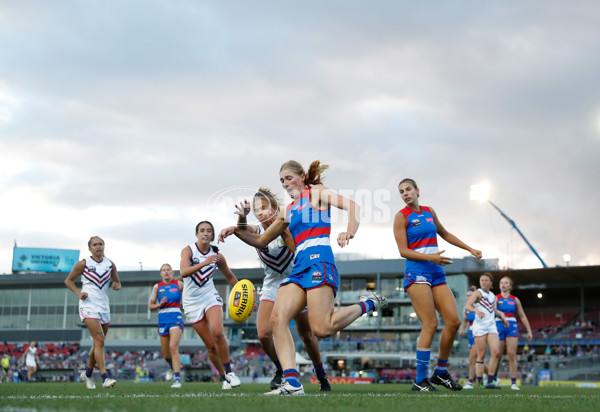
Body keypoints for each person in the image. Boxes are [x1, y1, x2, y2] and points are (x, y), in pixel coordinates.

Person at [219, 160, 387, 396]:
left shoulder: (316, 193)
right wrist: (236, 230)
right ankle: (292, 383)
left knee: (322, 328)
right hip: (298, 268)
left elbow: (352, 206)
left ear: (301, 176)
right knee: (277, 319)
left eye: (288, 178)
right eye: (282, 181)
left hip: (320, 261)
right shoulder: (288, 211)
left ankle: (368, 302)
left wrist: (349, 231)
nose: (286, 184)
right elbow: (260, 240)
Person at [225, 187, 331, 391]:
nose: (261, 213)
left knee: (307, 335)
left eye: (264, 208)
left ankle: (321, 375)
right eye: (257, 210)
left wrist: (285, 233)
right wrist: (241, 219)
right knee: (264, 333)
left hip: (296, 280)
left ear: (274, 208)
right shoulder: (257, 230)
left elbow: (297, 252)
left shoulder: (287, 224)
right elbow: (245, 230)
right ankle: (282, 369)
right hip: (273, 283)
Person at [393, 178, 482, 392]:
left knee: (453, 321)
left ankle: (440, 372)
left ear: (417, 190)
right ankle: (420, 380)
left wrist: (470, 249)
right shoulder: (401, 216)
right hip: (417, 273)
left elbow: (445, 234)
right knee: (430, 324)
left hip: (436, 272)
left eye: (408, 190)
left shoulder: (429, 211)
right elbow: (403, 251)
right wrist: (431, 258)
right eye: (401, 192)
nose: (405, 194)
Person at [180, 221, 241, 390]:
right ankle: (223, 378)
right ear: (197, 234)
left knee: (218, 332)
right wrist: (204, 263)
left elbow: (230, 277)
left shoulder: (217, 255)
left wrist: (245, 295)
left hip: (210, 297)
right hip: (191, 303)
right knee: (211, 347)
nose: (205, 233)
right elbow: (183, 272)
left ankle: (230, 372)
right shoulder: (188, 250)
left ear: (212, 235)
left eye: (208, 231)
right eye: (202, 231)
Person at [65, 236, 120, 389]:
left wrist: (117, 285)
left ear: (104, 246)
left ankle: (87, 374)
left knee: (98, 344)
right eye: (95, 245)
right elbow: (68, 280)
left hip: (104, 307)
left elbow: (117, 282)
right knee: (100, 341)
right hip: (88, 305)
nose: (98, 247)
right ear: (90, 248)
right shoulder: (83, 263)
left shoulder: (110, 264)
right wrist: (78, 293)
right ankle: (104, 378)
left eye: (101, 244)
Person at [465, 272, 509, 389]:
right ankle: (480, 383)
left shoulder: (493, 296)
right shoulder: (477, 293)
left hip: (491, 326)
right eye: (482, 280)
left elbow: (493, 310)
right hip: (479, 327)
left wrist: (502, 316)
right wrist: (476, 311)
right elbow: (468, 306)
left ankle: (490, 381)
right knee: (482, 355)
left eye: (486, 280)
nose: (483, 282)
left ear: (491, 283)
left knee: (496, 352)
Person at [493, 276, 533, 390]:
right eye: (501, 282)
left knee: (512, 354)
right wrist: (501, 315)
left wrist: (529, 331)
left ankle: (513, 382)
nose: (503, 284)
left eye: (506, 283)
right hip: (499, 325)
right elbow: (494, 310)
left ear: (510, 286)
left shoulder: (515, 300)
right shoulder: (496, 298)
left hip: (512, 326)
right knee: (497, 355)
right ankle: (493, 379)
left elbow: (523, 316)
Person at [149, 263, 184, 388]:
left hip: (176, 317)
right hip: (163, 319)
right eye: (163, 270)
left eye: (168, 269)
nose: (166, 272)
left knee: (173, 347)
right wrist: (160, 305)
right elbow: (150, 306)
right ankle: (171, 366)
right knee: (166, 355)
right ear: (161, 273)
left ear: (172, 272)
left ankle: (177, 379)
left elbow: (189, 294)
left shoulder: (179, 285)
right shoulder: (157, 287)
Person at [458, 286, 478, 389]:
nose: (469, 297)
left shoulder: (479, 305)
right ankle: (492, 377)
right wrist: (462, 328)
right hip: (471, 332)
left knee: (472, 359)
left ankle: (470, 382)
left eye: (471, 295)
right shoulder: (466, 308)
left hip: (479, 332)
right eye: (467, 295)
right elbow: (465, 320)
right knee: (476, 359)